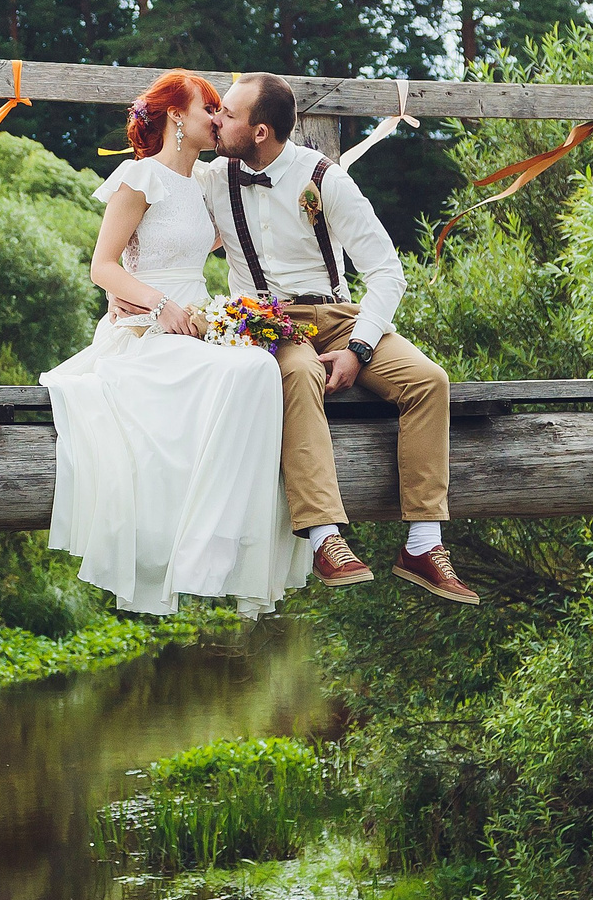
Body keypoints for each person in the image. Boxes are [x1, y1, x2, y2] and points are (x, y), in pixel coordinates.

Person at [187, 71, 478, 604]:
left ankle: (423, 543)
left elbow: (387, 271)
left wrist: (359, 348)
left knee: (429, 380)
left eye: (227, 113)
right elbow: (157, 193)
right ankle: (325, 537)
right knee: (298, 373)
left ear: (260, 132)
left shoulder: (326, 178)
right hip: (264, 317)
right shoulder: (210, 180)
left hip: (338, 313)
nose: (216, 119)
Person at [40, 72, 311, 617]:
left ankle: (223, 538)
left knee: (259, 368)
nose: (217, 116)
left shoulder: (207, 182)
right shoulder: (140, 177)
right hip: (145, 333)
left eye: (221, 108)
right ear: (176, 117)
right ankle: (201, 547)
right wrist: (153, 302)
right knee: (250, 372)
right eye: (207, 106)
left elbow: (240, 218)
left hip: (196, 327)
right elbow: (102, 266)